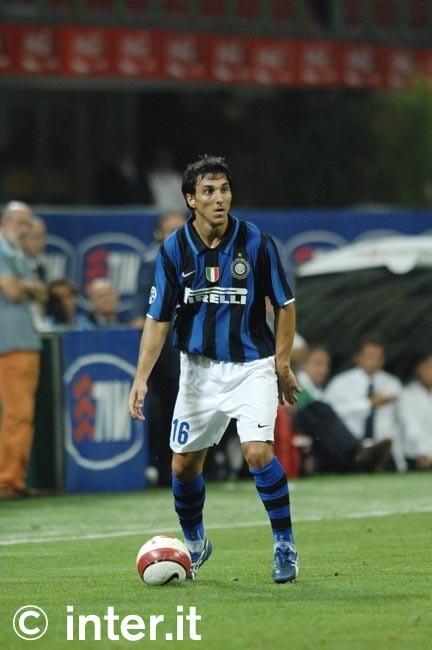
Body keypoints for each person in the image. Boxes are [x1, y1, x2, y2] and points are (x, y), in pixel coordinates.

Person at [129, 155, 300, 583]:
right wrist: (141, 377)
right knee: (183, 467)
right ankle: (195, 540)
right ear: (191, 199)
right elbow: (157, 319)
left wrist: (282, 363)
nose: (219, 198)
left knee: (257, 453)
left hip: (252, 366)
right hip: (198, 372)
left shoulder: (256, 242)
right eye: (208, 191)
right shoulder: (174, 249)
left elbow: (285, 304)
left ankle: (285, 545)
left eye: (224, 189)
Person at [130, 211, 186, 487]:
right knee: (168, 405)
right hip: (166, 344)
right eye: (170, 229)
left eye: (180, 228)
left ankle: (198, 466)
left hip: (191, 340)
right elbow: (144, 300)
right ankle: (166, 469)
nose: (175, 233)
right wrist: (140, 319)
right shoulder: (153, 259)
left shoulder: (199, 255)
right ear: (159, 233)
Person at [0, 201, 46, 500]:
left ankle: (15, 477)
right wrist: (28, 288)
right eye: (19, 222)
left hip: (24, 340)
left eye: (27, 223)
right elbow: (13, 291)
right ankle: (7, 480)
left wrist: (27, 288)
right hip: (12, 342)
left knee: (21, 415)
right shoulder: (3, 252)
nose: (25, 229)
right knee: (17, 414)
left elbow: (42, 291)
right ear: (4, 222)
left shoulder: (19, 255)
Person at [295, 346, 391, 473]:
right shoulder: (298, 384)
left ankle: (358, 453)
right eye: (318, 364)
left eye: (326, 365)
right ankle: (358, 453)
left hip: (322, 442)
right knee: (321, 409)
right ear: (303, 365)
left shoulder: (315, 390)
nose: (324, 369)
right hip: (302, 432)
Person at [325, 336, 406, 472]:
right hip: (351, 449)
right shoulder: (341, 383)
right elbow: (329, 415)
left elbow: (401, 421)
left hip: (384, 451)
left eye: (378, 357)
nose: (373, 361)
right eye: (369, 356)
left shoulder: (392, 384)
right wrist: (369, 404)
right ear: (358, 358)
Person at [398, 353, 432, 470]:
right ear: (419, 369)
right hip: (416, 457)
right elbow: (411, 428)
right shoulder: (407, 395)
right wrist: (423, 452)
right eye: (429, 367)